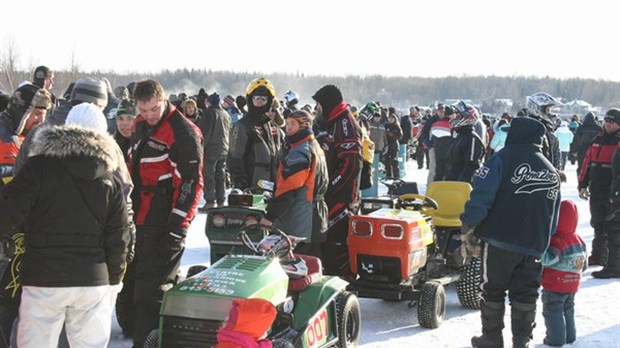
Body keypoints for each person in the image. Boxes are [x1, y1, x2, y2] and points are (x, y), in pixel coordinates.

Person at [0, 107, 131, 347]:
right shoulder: (110, 178)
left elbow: (7, 211)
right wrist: (113, 280)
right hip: (93, 281)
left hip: (43, 279)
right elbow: (119, 235)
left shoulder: (38, 167)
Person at [460, 116, 561, 348]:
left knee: (492, 290)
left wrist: (469, 223)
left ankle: (492, 338)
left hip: (500, 240)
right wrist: (543, 239)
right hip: (534, 245)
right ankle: (522, 341)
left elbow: (481, 196)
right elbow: (553, 215)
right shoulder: (551, 170)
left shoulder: (500, 159)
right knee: (526, 294)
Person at [128, 79, 204, 347]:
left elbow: (191, 183)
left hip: (164, 218)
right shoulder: (140, 124)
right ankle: (132, 332)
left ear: (163, 100)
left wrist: (178, 224)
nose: (148, 115)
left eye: (153, 109)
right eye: (143, 110)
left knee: (154, 290)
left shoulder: (183, 131)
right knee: (131, 284)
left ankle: (150, 341)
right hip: (137, 214)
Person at [259, 110, 328, 257]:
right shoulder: (315, 146)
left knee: (294, 267)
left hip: (300, 220)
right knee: (312, 264)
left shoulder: (300, 152)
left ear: (304, 126)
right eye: (288, 123)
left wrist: (271, 216)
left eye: (293, 124)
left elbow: (288, 188)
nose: (288, 127)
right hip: (315, 216)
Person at [311, 84, 362, 277]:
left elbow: (351, 165)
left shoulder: (345, 124)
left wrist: (328, 187)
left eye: (319, 105)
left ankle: (344, 288)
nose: (317, 109)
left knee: (336, 246)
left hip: (342, 199)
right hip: (324, 196)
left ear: (328, 104)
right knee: (322, 245)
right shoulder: (328, 122)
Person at [541, 200, 587, 347]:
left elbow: (548, 260)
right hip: (573, 284)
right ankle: (570, 336)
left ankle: (555, 340)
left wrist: (540, 251)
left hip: (555, 284)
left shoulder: (556, 240)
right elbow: (584, 264)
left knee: (553, 311)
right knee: (568, 309)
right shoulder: (579, 240)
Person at [578, 108, 620, 268]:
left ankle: (613, 261)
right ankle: (598, 255)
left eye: (612, 122)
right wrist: (582, 184)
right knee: (597, 223)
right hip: (596, 187)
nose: (608, 124)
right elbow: (587, 162)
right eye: (606, 121)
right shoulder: (598, 138)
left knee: (613, 226)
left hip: (613, 189)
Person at [228, 78, 284, 190]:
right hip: (252, 188)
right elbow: (234, 157)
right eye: (256, 98)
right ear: (250, 100)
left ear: (269, 101)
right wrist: (240, 181)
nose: (260, 102)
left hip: (274, 188)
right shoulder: (243, 126)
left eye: (264, 99)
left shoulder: (273, 126)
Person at [0, 84, 52, 179]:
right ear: (22, 114)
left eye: (44, 115)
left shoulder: (17, 132)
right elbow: (11, 182)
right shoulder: (8, 141)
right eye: (37, 114)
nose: (41, 121)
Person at [591, 138, 620, 278]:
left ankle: (614, 267)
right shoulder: (601, 139)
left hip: (615, 192)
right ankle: (609, 262)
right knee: (607, 225)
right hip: (608, 189)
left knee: (613, 227)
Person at [198, 92, 232, 211]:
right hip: (224, 148)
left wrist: (201, 148)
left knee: (209, 176)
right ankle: (221, 201)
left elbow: (205, 133)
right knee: (220, 176)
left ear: (209, 102)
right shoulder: (225, 114)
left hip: (211, 149)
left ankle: (210, 202)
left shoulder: (209, 113)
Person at [446, 102, 485, 184]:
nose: (455, 118)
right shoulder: (459, 136)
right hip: (452, 181)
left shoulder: (472, 138)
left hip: (462, 187)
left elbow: (472, 166)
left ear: (467, 118)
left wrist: (462, 183)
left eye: (458, 116)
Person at [571, 112, 602, 176]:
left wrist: (574, 151)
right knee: (594, 169)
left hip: (582, 151)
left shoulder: (580, 128)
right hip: (596, 152)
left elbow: (576, 140)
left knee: (581, 168)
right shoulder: (599, 129)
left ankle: (581, 183)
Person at [430, 105, 454, 181]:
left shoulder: (434, 124)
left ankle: (436, 188)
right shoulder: (452, 126)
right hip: (448, 154)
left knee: (438, 173)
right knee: (447, 174)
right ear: (451, 115)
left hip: (437, 152)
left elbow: (430, 137)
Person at [383, 113, 402, 178]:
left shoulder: (397, 126)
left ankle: (396, 176)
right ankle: (388, 175)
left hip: (394, 145)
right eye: (390, 118)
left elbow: (399, 136)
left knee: (394, 161)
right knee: (387, 161)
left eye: (392, 118)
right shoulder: (386, 125)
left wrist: (392, 134)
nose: (391, 120)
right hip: (387, 145)